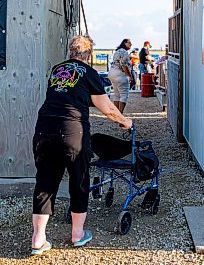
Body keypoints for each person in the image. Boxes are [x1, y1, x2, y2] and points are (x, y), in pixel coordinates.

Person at [31, 35, 132, 256]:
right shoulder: (89, 73)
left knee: (45, 181)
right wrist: (126, 122)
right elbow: (107, 108)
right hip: (72, 131)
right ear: (88, 54)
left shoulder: (57, 70)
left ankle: (38, 239)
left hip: (44, 128)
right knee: (79, 179)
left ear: (70, 52)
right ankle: (77, 234)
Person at [108, 39, 133, 113]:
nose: (131, 45)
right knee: (124, 95)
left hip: (112, 73)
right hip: (120, 74)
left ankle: (116, 115)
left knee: (117, 95)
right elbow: (124, 65)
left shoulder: (117, 51)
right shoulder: (124, 52)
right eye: (130, 43)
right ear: (125, 43)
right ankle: (120, 115)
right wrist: (130, 75)